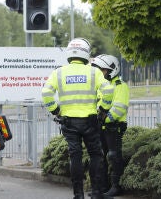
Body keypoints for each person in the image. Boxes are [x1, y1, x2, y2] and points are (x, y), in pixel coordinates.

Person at [42, 38, 114, 199]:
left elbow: (46, 93)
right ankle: (96, 193)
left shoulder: (59, 72)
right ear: (86, 53)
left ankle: (78, 194)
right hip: (90, 121)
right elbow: (108, 90)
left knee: (75, 156)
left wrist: (56, 111)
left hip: (68, 122)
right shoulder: (94, 72)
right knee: (96, 155)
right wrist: (103, 110)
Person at [91, 54, 130, 197]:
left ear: (111, 70)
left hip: (114, 126)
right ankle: (102, 187)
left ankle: (116, 186)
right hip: (101, 127)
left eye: (102, 70)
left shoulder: (120, 86)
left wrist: (103, 119)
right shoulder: (102, 86)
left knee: (114, 156)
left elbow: (119, 108)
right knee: (100, 157)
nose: (100, 73)